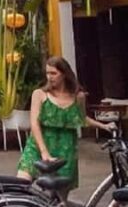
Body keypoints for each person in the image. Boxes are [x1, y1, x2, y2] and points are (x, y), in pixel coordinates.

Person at [16, 56, 117, 195]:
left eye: (54, 73)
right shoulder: (39, 94)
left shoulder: (78, 96)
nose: (49, 77)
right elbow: (34, 123)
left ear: (64, 74)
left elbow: (81, 118)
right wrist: (44, 151)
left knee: (60, 200)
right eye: (47, 73)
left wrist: (103, 126)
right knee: (19, 187)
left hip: (65, 149)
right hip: (39, 146)